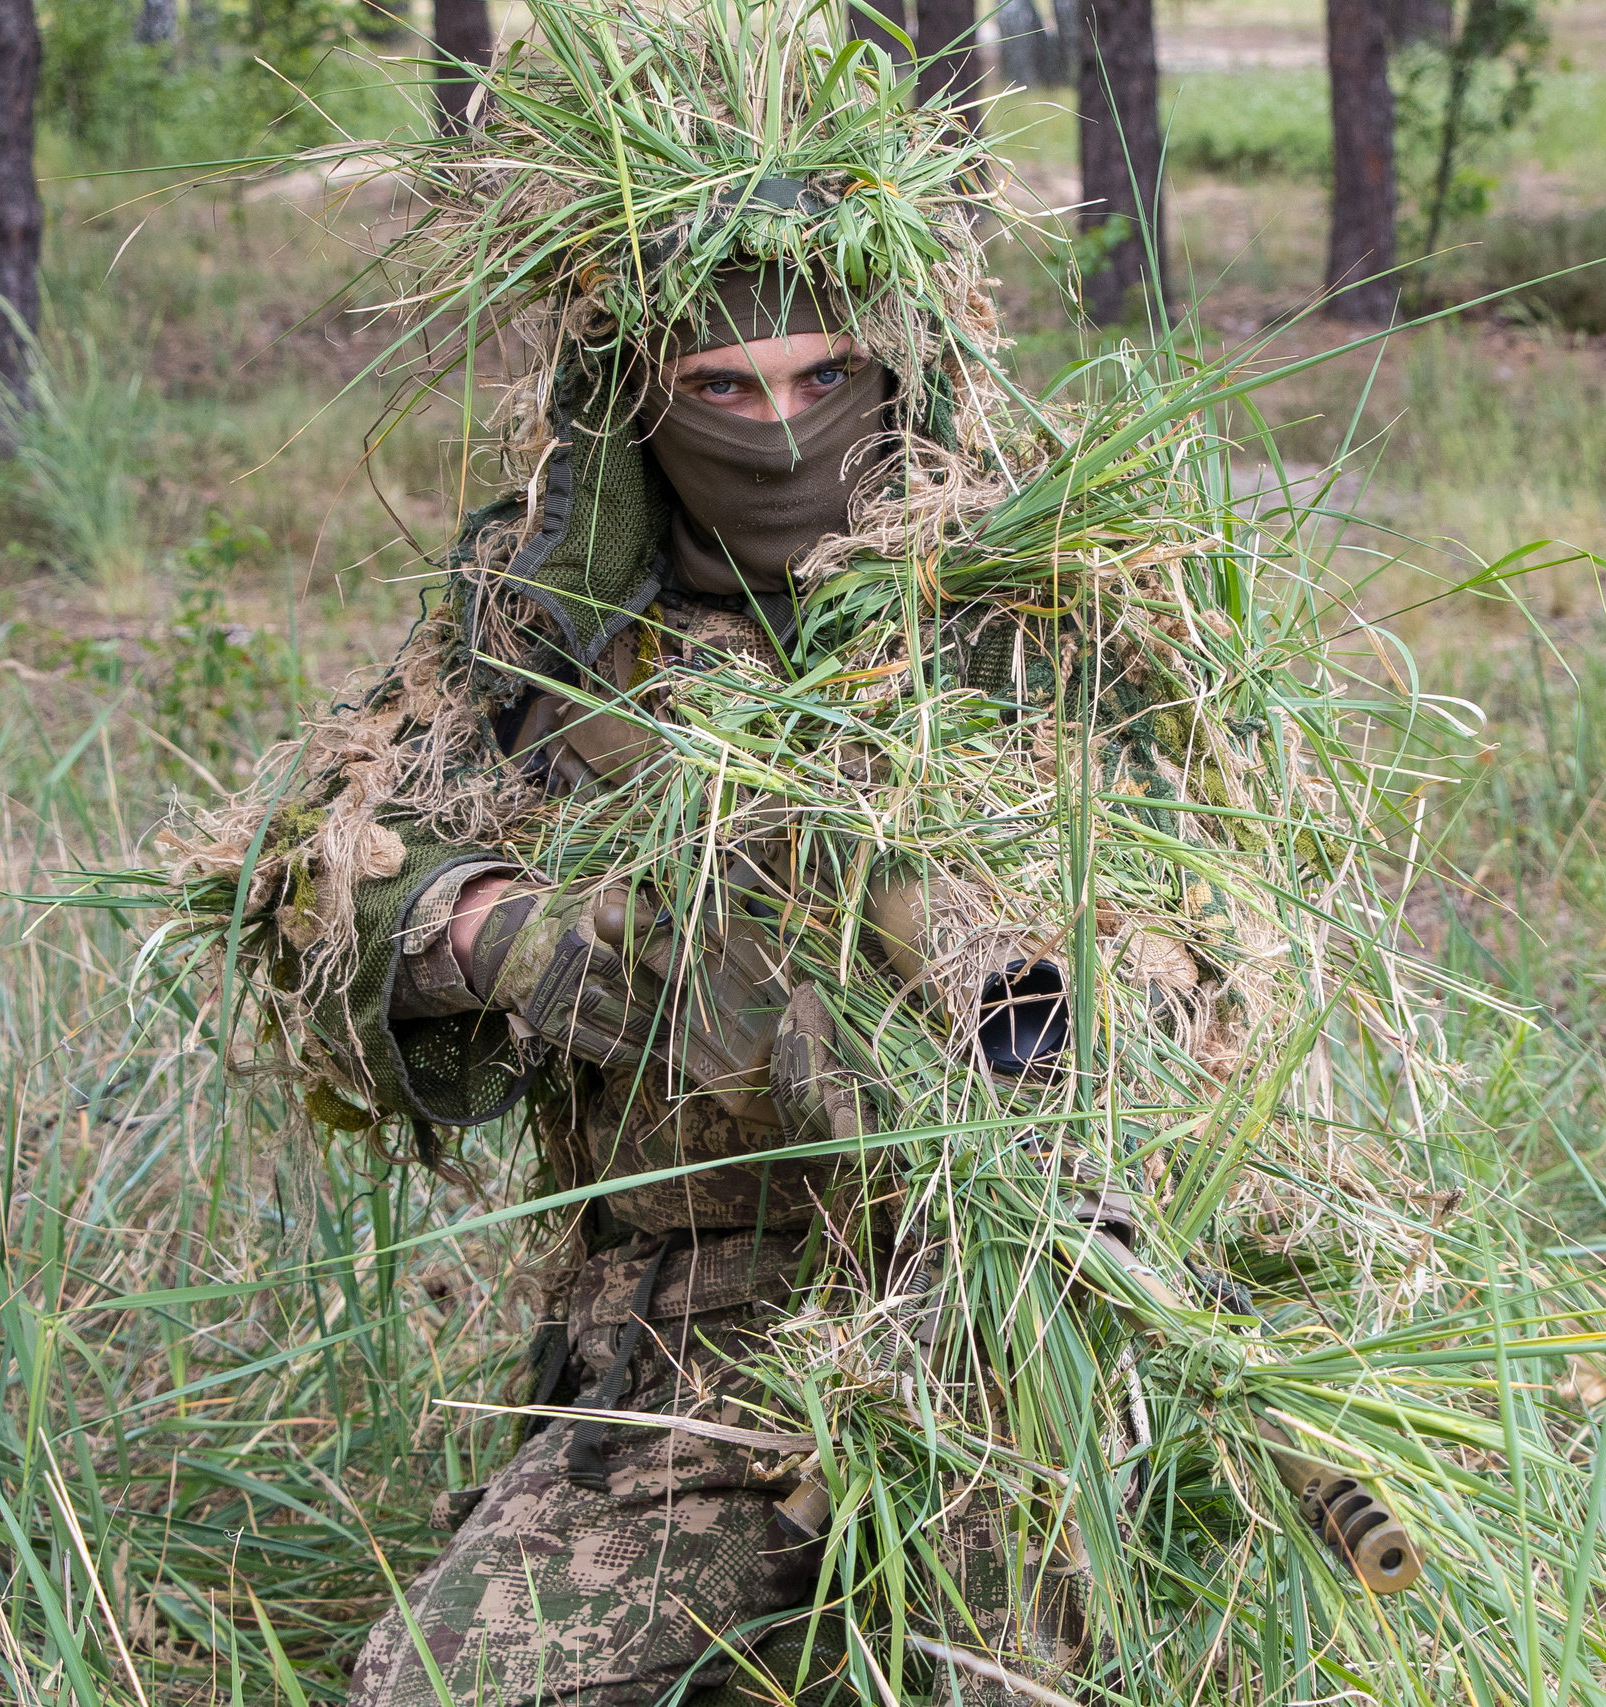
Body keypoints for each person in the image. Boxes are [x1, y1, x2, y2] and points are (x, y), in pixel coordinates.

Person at [288, 245, 1065, 1706]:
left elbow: (1221, 932)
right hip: (690, 1348)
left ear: (894, 372)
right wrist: (502, 932)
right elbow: (318, 878)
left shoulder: (1034, 613)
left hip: (999, 1323)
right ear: (640, 403)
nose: (776, 429)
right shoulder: (544, 632)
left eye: (822, 376)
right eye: (721, 386)